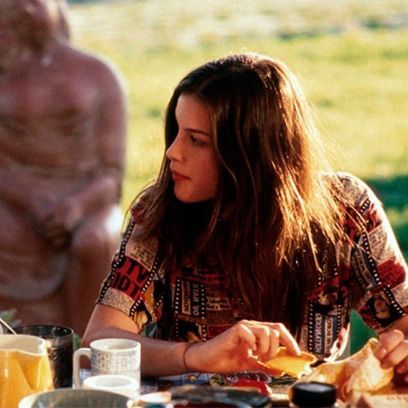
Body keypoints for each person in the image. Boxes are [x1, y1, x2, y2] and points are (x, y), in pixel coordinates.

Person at [83, 52, 408, 380]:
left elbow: (404, 325)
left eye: (196, 140)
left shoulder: (347, 211)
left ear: (251, 155)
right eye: (177, 132)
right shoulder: (159, 212)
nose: (172, 152)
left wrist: (401, 350)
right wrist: (195, 355)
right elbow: (98, 342)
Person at [0, 0, 126, 335]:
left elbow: (111, 176)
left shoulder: (98, 75)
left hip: (86, 203)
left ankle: (87, 347)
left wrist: (76, 206)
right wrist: (28, 199)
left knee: (94, 241)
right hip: (12, 201)